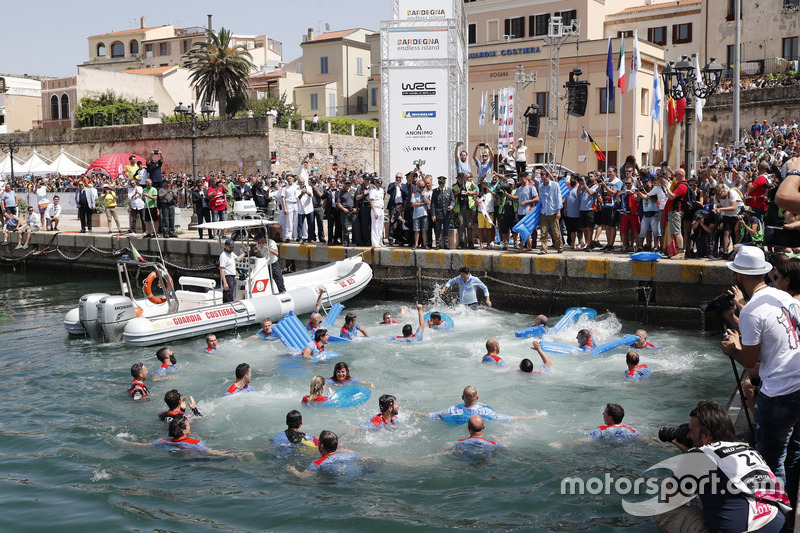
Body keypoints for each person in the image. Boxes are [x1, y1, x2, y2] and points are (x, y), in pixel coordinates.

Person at [721, 246, 800, 508]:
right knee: (794, 453)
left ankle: (776, 515)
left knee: (769, 462)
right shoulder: (783, 295)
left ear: (740, 277)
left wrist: (732, 348)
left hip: (779, 392)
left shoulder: (753, 310)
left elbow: (750, 360)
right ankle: (788, 510)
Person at [655, 400, 789, 533]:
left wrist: (687, 456)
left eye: (691, 431)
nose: (688, 436)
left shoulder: (700, 455)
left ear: (707, 435)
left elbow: (670, 497)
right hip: (777, 523)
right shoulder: (748, 449)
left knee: (665, 510)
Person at [412, 386, 523, 422]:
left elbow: (432, 415)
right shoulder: (484, 411)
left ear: (462, 398)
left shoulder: (453, 410)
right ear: (477, 398)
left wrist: (413, 412)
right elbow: (506, 418)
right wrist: (530, 417)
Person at [287, 430, 363, 478]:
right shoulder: (349, 455)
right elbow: (366, 457)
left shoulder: (316, 463)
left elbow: (303, 476)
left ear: (321, 446)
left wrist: (292, 469)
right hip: (357, 475)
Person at [538, 168, 564, 254]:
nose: (543, 181)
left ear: (548, 177)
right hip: (544, 212)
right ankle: (544, 249)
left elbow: (558, 198)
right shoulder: (541, 186)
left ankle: (559, 247)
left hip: (553, 211)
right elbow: (541, 199)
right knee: (543, 232)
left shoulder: (555, 185)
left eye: (545, 179)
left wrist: (558, 210)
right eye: (542, 179)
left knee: (556, 231)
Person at [452, 173, 478, 249]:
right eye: (459, 179)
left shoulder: (469, 184)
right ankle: (462, 243)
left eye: (462, 179)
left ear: (464, 179)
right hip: (460, 208)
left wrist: (468, 193)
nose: (460, 180)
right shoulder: (455, 186)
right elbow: (451, 196)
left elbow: (475, 192)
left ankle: (470, 243)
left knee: (470, 226)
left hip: (469, 207)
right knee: (461, 226)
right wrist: (456, 193)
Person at [219, 239, 245, 303]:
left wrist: (245, 252)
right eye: (230, 247)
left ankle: (230, 304)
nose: (231, 248)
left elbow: (238, 259)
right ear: (225, 246)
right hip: (227, 277)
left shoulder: (231, 253)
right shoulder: (223, 256)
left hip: (232, 277)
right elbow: (222, 269)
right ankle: (227, 305)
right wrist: (225, 283)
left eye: (232, 247)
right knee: (228, 295)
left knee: (231, 293)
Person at [430, 176, 454, 249]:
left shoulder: (449, 190)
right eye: (440, 183)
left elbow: (452, 200)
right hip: (438, 214)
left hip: (447, 213)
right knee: (438, 230)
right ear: (438, 183)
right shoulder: (435, 191)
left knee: (446, 229)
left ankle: (446, 244)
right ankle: (438, 244)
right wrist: (433, 215)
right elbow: (433, 204)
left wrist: (451, 206)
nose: (441, 185)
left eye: (443, 183)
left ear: (445, 183)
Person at [368, 177, 385, 247]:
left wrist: (383, 206)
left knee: (381, 226)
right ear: (375, 182)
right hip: (376, 209)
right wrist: (375, 211)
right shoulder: (372, 190)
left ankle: (380, 241)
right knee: (375, 226)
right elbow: (371, 201)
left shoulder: (381, 190)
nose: (379, 184)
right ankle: (375, 243)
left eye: (380, 183)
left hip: (381, 209)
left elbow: (382, 199)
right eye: (378, 182)